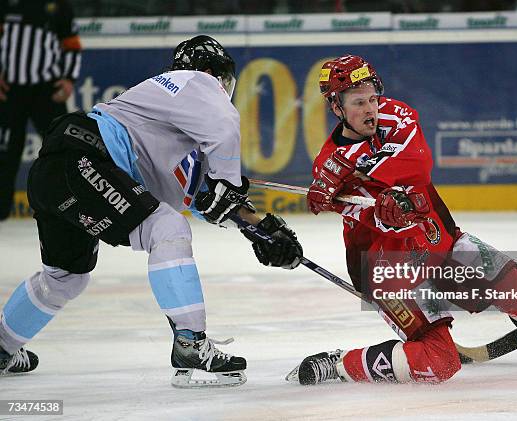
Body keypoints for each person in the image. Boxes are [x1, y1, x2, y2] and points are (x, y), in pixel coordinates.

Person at [0, 35, 304, 388]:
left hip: (58, 173)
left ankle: (3, 346)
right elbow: (224, 134)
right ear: (210, 71)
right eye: (224, 79)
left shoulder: (166, 126)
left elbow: (203, 201)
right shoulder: (196, 81)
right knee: (168, 229)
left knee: (64, 277)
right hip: (84, 159)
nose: (224, 88)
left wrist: (263, 228)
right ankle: (191, 342)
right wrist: (229, 183)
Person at [290, 55, 517, 385]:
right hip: (388, 266)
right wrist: (359, 204)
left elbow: (418, 164)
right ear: (336, 108)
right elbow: (367, 218)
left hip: (438, 243)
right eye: (358, 102)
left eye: (372, 98)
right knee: (439, 363)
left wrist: (359, 170)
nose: (370, 109)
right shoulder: (327, 165)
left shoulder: (395, 115)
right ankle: (339, 364)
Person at [0, 0, 82, 220]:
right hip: (11, 90)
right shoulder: (6, 5)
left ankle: (67, 204)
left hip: (46, 91)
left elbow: (72, 44)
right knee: (5, 151)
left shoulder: (58, 6)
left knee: (60, 148)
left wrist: (68, 80)